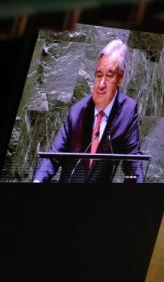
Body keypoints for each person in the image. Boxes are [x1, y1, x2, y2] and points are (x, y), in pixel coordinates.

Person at [33, 39, 144, 183]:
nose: (101, 84)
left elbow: (134, 163)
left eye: (109, 75)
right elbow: (53, 157)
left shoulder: (128, 111)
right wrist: (37, 182)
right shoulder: (77, 111)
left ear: (120, 78)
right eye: (99, 75)